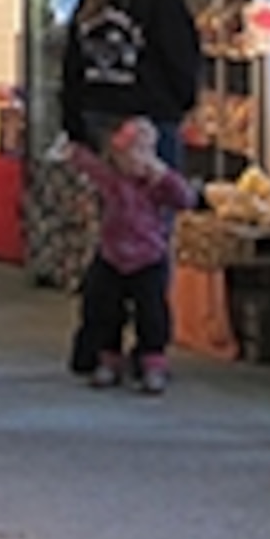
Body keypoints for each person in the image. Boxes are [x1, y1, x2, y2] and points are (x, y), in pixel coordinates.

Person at [60, 0, 200, 172]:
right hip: (149, 117)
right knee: (154, 206)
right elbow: (179, 53)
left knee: (107, 204)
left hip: (95, 114)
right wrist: (183, 102)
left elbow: (73, 56)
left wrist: (72, 119)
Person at [64, 114, 196, 394]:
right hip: (112, 256)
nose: (135, 161)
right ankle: (109, 357)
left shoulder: (158, 185)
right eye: (127, 154)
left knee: (152, 314)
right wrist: (74, 149)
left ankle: (152, 360)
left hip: (149, 258)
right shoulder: (111, 180)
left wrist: (164, 175)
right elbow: (90, 167)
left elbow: (185, 199)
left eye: (142, 153)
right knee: (105, 310)